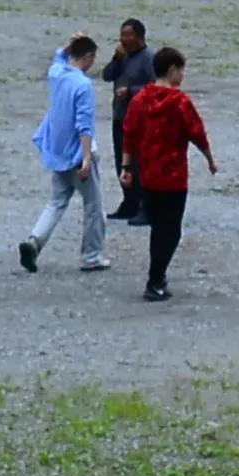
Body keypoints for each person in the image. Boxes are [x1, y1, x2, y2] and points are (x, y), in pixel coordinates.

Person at [121, 41, 213, 300]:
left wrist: (126, 167)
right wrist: (209, 159)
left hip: (148, 174)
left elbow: (129, 132)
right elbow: (196, 132)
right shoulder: (180, 101)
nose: (183, 76)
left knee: (157, 227)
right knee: (171, 229)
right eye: (181, 71)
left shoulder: (140, 100)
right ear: (172, 70)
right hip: (173, 176)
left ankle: (157, 275)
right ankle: (156, 278)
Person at [22, 33, 108, 273]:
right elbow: (85, 124)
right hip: (76, 153)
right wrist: (87, 157)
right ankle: (92, 255)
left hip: (57, 150)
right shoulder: (82, 84)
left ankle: (35, 240)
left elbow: (60, 56)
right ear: (89, 57)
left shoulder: (56, 74)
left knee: (57, 201)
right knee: (93, 205)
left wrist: (70, 44)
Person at [102, 18, 159, 227]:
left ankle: (146, 206)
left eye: (128, 35)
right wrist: (116, 60)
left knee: (139, 163)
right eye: (122, 35)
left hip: (141, 120)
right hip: (120, 116)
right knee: (122, 161)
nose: (124, 39)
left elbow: (156, 86)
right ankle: (129, 201)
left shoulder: (149, 58)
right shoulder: (122, 56)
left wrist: (132, 91)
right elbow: (107, 76)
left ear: (140, 37)